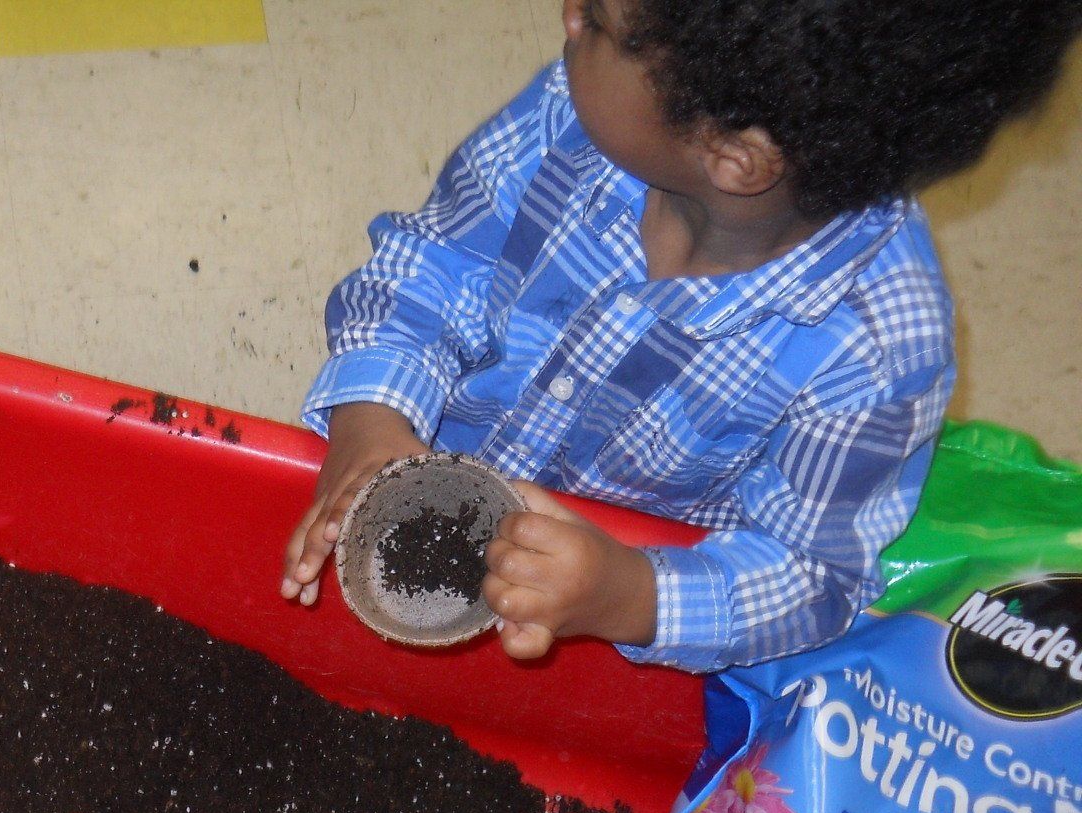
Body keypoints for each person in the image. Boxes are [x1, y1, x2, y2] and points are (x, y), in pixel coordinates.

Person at [284, 0, 1082, 671]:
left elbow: (814, 572)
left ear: (735, 157)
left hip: (623, 593)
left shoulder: (875, 352)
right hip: (437, 462)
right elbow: (438, 261)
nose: (568, 14)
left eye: (599, 23)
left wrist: (631, 595)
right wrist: (373, 414)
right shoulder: (566, 120)